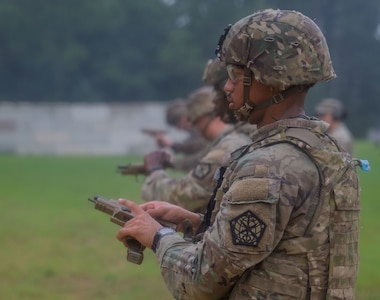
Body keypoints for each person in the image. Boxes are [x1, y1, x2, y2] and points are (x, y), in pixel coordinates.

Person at [116, 9, 361, 299]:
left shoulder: (268, 165)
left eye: (236, 75)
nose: (228, 87)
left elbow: (201, 280)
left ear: (270, 79)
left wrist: (157, 236)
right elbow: (283, 245)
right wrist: (195, 223)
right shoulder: (325, 150)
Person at [141, 85, 252, 213]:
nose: (194, 128)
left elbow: (184, 197)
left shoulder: (225, 148)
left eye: (193, 121)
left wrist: (155, 171)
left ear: (201, 117)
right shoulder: (239, 138)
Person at [153, 98, 209, 172]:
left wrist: (171, 144)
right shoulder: (196, 131)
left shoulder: (201, 128)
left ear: (183, 117)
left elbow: (199, 145)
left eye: (177, 123)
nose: (178, 128)